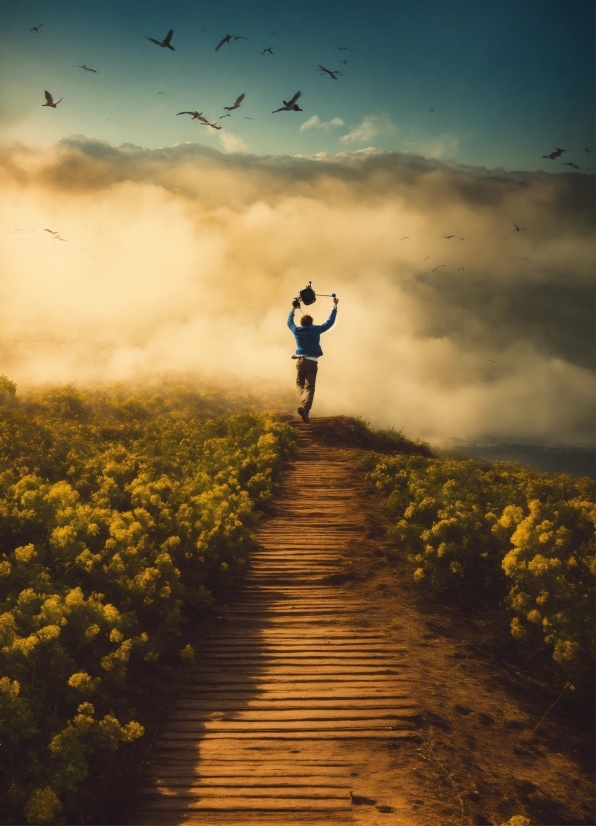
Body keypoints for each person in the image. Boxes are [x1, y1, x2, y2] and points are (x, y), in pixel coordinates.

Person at [287, 296, 339, 423]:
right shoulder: (316, 329)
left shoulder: (297, 331)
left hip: (300, 361)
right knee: (310, 386)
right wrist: (335, 307)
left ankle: (304, 398)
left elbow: (289, 322)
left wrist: (293, 308)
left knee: (299, 383)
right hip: (312, 361)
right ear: (311, 322)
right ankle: (305, 409)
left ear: (302, 323)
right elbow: (329, 322)